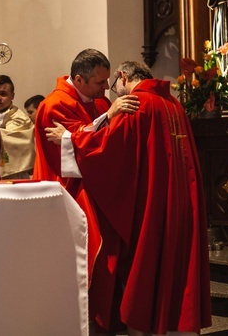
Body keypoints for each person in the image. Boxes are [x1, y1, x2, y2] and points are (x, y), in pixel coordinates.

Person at [46, 61, 211, 336]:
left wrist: (68, 140)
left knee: (146, 266)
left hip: (151, 206)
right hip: (181, 203)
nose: (113, 94)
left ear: (123, 77)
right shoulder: (173, 104)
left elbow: (107, 151)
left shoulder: (135, 104)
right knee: (178, 265)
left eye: (113, 86)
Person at [33, 48, 139, 331]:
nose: (106, 88)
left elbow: (103, 143)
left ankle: (111, 319)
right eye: (99, 82)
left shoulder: (100, 102)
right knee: (91, 260)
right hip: (68, 195)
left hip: (98, 190)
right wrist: (105, 120)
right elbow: (72, 156)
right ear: (78, 79)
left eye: (106, 81)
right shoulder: (54, 105)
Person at [0, 75, 35, 179]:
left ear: (12, 96)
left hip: (15, 173)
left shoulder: (21, 119)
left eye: (3, 94)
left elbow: (18, 142)